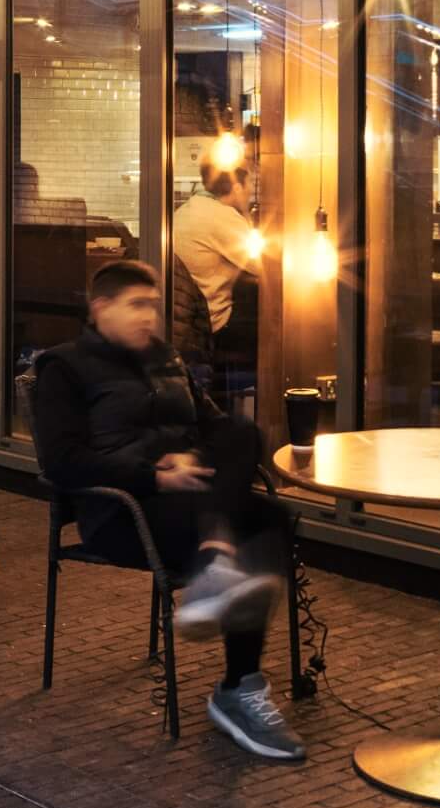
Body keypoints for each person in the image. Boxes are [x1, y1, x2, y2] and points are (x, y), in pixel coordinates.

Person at [28, 260, 307, 761]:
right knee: (256, 528)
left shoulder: (166, 358)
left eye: (153, 306)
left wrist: (191, 458)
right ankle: (238, 684)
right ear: (100, 308)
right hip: (123, 511)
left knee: (251, 454)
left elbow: (217, 428)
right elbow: (62, 462)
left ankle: (216, 571)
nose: (148, 317)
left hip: (192, 497)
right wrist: (153, 475)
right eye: (136, 305)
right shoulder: (63, 367)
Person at [170, 165, 258, 353]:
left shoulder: (190, 207)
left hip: (183, 315)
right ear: (237, 188)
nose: (252, 190)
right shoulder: (222, 217)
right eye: (250, 183)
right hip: (210, 321)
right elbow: (263, 265)